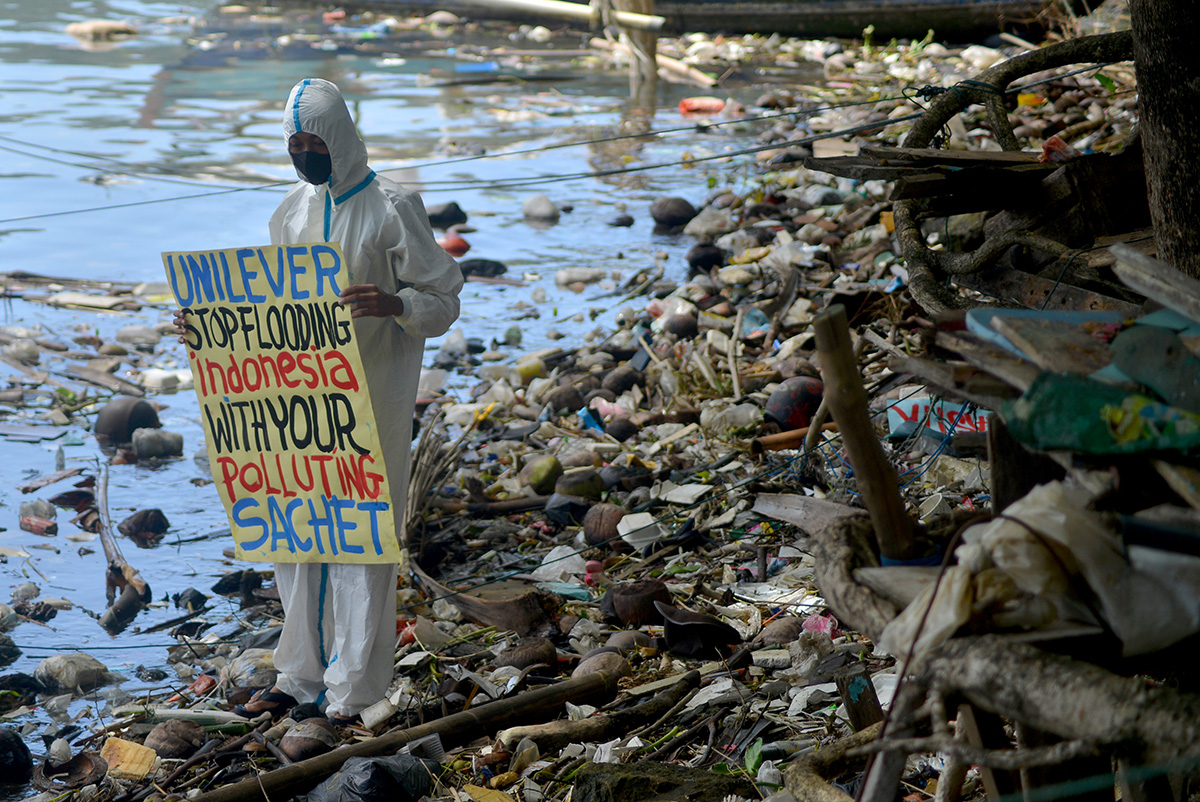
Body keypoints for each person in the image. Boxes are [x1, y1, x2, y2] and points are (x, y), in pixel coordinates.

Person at [180, 78, 463, 723]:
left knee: (360, 538)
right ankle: (298, 674)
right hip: (299, 401)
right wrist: (208, 328)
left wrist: (396, 304)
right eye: (295, 143)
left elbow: (443, 299)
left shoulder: (394, 207)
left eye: (315, 142)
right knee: (294, 530)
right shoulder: (291, 212)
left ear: (341, 139)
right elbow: (265, 309)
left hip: (373, 396)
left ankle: (353, 689)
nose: (305, 153)